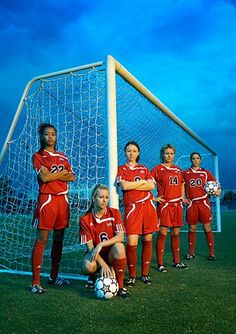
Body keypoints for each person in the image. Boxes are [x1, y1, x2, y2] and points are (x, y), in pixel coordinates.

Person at [30, 123, 75, 294]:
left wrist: (53, 175)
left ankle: (54, 277)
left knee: (58, 240)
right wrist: (60, 174)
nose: (50, 137)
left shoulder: (63, 157)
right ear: (42, 136)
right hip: (47, 200)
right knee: (42, 240)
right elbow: (44, 177)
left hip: (62, 201)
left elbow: (72, 176)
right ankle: (35, 283)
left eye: (53, 134)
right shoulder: (38, 156)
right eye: (47, 134)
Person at [117, 141, 159, 287]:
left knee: (147, 240)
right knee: (131, 243)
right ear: (125, 152)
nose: (131, 153)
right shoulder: (121, 169)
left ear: (138, 153)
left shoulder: (144, 168)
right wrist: (142, 183)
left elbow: (151, 185)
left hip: (148, 207)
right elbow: (125, 186)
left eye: (134, 151)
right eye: (129, 151)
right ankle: (132, 276)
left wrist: (134, 184)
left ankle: (145, 274)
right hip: (132, 209)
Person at [79, 184, 130, 298]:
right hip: (96, 255)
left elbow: (121, 237)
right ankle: (93, 275)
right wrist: (103, 265)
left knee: (119, 247)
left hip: (111, 253)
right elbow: (91, 248)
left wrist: (102, 244)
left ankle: (121, 287)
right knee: (87, 265)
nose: (104, 200)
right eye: (101, 197)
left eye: (107, 197)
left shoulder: (114, 213)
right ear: (93, 198)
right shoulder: (85, 219)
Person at [151, 143, 188, 273]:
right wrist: (153, 198)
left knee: (176, 233)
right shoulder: (157, 169)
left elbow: (182, 184)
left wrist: (182, 197)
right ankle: (160, 263)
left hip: (177, 205)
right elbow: (148, 184)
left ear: (174, 155)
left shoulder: (178, 169)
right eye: (167, 153)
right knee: (162, 233)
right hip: (164, 205)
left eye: (171, 153)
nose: (169, 155)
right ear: (162, 154)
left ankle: (176, 261)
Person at [183, 152, 221, 261]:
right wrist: (183, 198)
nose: (195, 160)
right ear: (191, 160)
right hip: (192, 204)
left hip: (204, 203)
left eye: (197, 158)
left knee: (207, 227)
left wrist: (218, 190)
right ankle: (191, 253)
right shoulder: (185, 173)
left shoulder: (205, 173)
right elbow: (181, 185)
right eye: (193, 158)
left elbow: (217, 184)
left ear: (200, 160)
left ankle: (212, 253)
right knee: (192, 228)